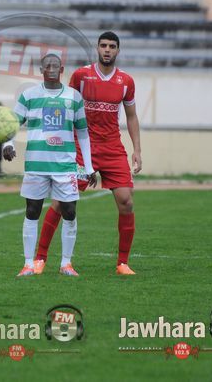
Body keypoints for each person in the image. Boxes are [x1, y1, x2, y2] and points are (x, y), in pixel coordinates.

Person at [33, 32, 142, 275]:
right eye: (103, 45)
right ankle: (40, 258)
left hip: (112, 148)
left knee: (126, 201)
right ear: (97, 48)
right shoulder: (81, 76)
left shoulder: (126, 81)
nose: (107, 50)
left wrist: (137, 150)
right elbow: (65, 107)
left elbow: (132, 116)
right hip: (82, 148)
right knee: (62, 202)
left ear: (118, 50)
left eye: (112, 46)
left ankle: (122, 264)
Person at [3, 54, 96, 278]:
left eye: (55, 65)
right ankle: (28, 264)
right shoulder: (29, 95)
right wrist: (8, 143)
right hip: (36, 164)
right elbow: (13, 123)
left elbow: (83, 132)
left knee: (70, 211)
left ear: (62, 69)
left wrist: (89, 167)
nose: (51, 69)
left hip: (65, 166)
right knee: (32, 210)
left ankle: (66, 263)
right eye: (47, 66)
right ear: (41, 70)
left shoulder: (74, 96)